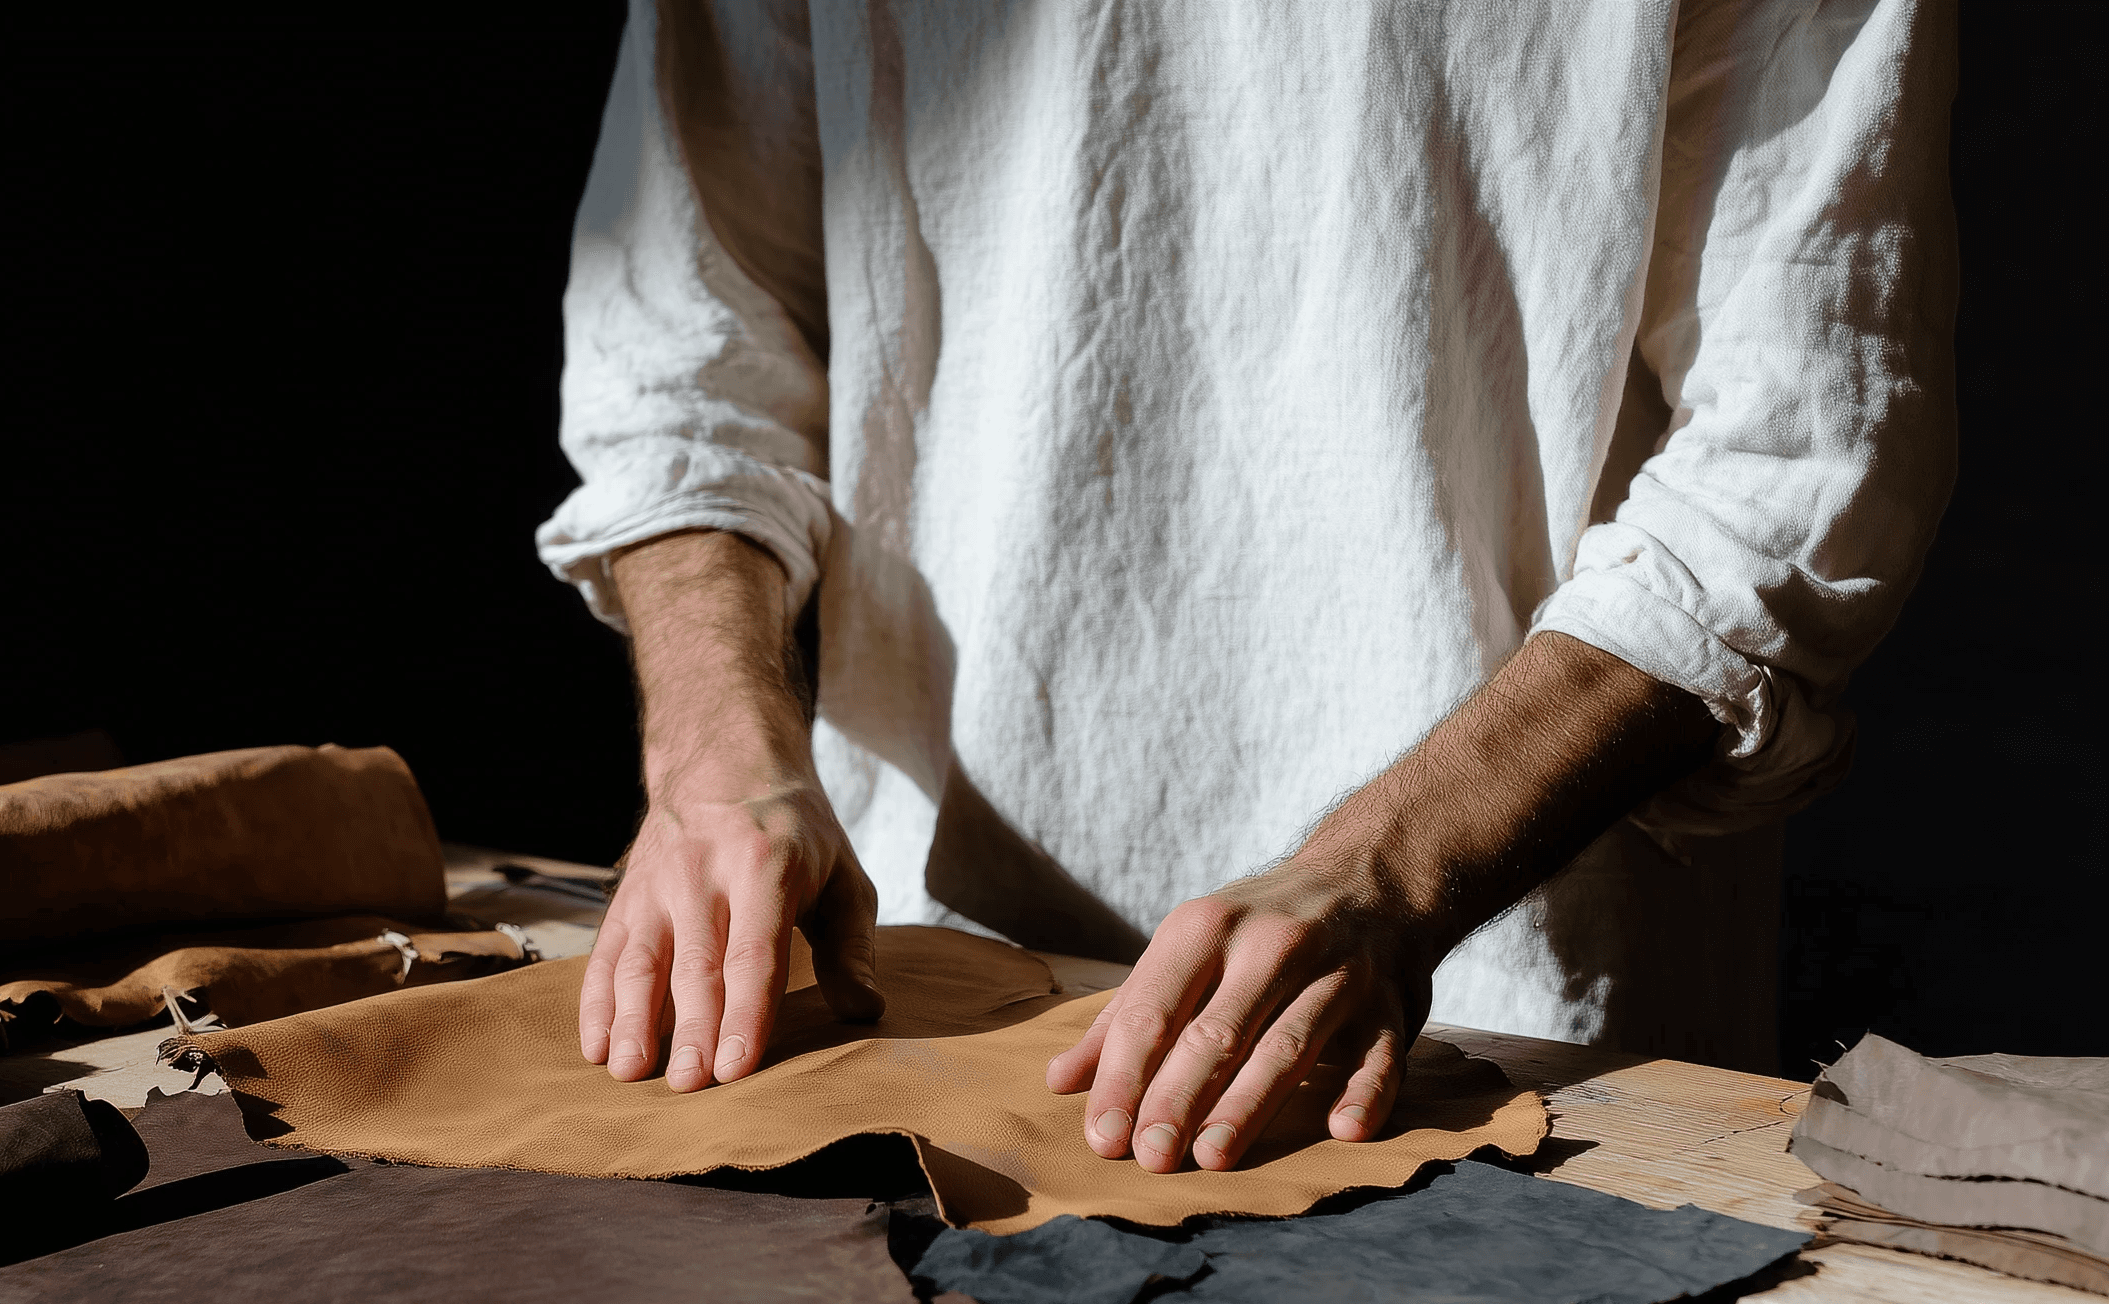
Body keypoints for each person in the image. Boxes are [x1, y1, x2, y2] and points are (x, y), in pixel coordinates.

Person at [539, 0, 1955, 1174]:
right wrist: (714, 754)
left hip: (1480, 1028)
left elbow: (1797, 457)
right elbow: (685, 350)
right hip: (898, 975)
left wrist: (1393, 869)